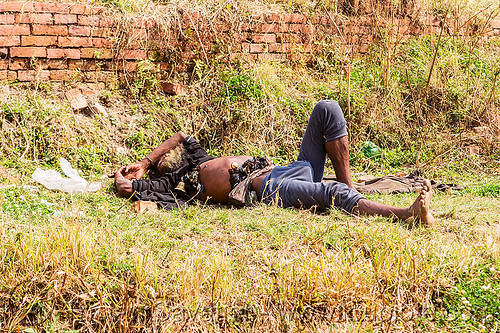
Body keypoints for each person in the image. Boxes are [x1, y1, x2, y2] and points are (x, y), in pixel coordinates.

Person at [112, 100, 434, 225]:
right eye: (162, 160)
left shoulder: (196, 158)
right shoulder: (170, 184)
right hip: (261, 188)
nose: (169, 157)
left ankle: (350, 188)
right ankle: (406, 215)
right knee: (328, 196)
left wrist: (145, 160)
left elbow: (180, 136)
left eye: (164, 157)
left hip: (280, 169)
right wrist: (135, 174)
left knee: (327, 109)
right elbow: (126, 186)